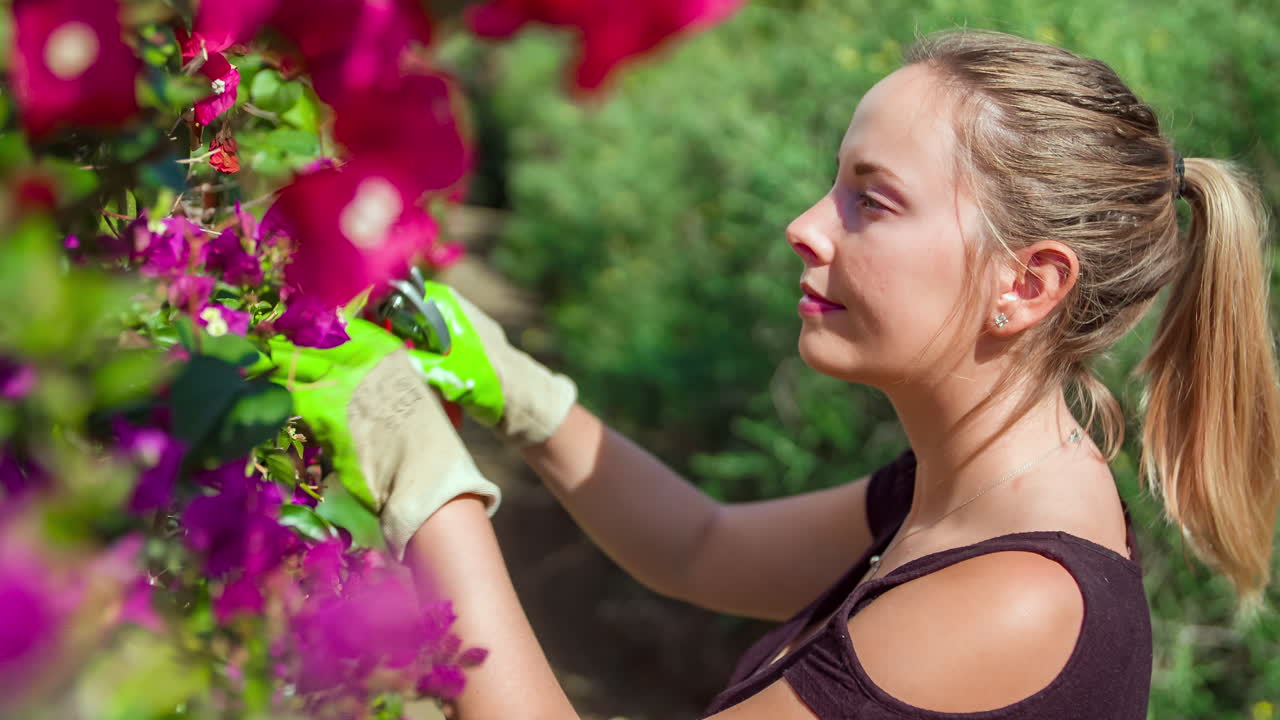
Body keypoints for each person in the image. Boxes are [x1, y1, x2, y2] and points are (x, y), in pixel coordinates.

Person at [363, 29, 1280, 719]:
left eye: (870, 200)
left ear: (1027, 283)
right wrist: (522, 395)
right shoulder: (971, 494)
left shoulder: (1018, 601)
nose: (805, 224)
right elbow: (702, 547)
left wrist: (430, 494)